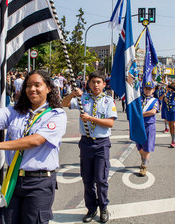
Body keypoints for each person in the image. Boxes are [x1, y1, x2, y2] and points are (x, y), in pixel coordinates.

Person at [0, 70, 67, 224]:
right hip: (13, 178)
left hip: (39, 183)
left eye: (37, 85)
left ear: (48, 88)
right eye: (29, 85)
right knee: (6, 221)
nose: (32, 89)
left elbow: (35, 140)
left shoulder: (57, 115)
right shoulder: (16, 111)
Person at [62, 71, 117, 223]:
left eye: (99, 82)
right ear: (88, 84)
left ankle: (103, 207)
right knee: (87, 180)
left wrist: (90, 118)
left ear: (104, 84)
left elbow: (110, 122)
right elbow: (64, 104)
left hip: (101, 143)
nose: (96, 85)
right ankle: (91, 209)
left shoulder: (108, 101)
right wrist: (73, 94)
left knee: (101, 179)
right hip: (86, 142)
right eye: (93, 82)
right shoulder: (83, 99)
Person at [136, 81, 159, 177]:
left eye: (150, 89)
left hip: (149, 125)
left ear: (153, 90)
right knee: (139, 145)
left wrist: (139, 114)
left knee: (147, 146)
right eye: (146, 88)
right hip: (139, 125)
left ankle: (144, 166)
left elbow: (153, 112)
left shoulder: (155, 100)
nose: (147, 90)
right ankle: (144, 159)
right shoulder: (139, 99)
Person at [163, 82, 175, 148]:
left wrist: (168, 85)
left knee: (174, 125)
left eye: (174, 86)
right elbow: (165, 99)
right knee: (170, 125)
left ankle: (174, 141)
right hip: (168, 110)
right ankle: (172, 139)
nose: (173, 87)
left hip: (174, 109)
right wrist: (165, 99)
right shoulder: (169, 93)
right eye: (173, 86)